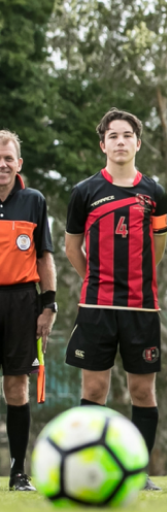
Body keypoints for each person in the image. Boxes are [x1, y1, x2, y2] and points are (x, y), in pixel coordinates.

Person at [64, 110, 167, 491]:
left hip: (141, 307)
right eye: (113, 136)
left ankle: (138, 474)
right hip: (97, 307)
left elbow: (158, 247)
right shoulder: (84, 192)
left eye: (127, 136)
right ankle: (89, 470)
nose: (120, 142)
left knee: (143, 391)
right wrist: (95, 278)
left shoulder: (155, 193)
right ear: (103, 143)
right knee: (93, 391)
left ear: (137, 143)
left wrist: (134, 278)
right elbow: (72, 247)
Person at [0, 130, 56, 492]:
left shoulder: (33, 200)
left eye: (8, 158)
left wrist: (48, 304)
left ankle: (19, 473)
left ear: (18, 163)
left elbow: (44, 257)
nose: (1, 165)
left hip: (22, 302)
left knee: (16, 387)